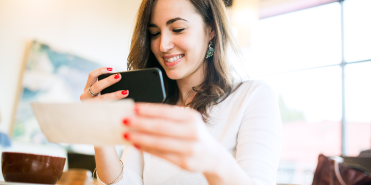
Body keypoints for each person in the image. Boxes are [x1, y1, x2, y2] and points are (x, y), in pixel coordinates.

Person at [80, 0, 282, 184]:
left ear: (211, 29)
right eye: (154, 33)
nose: (163, 45)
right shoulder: (152, 106)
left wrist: (210, 158)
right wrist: (100, 129)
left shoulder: (252, 97)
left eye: (177, 29)